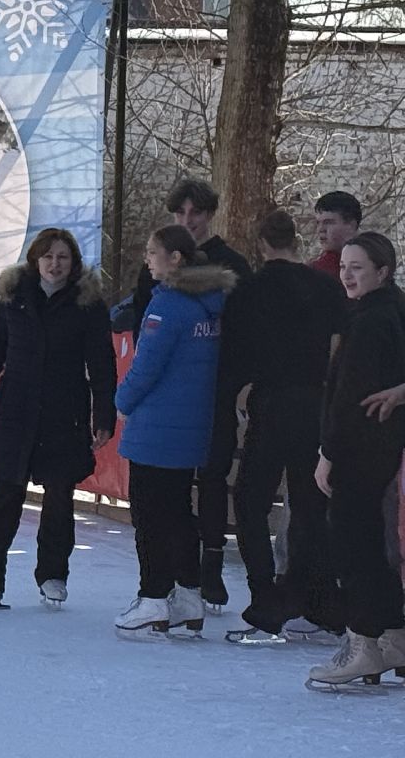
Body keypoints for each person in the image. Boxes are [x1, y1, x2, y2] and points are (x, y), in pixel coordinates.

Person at [0, 228, 117, 609]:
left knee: (59, 498)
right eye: (48, 257)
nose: (55, 264)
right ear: (35, 261)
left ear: (73, 263)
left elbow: (102, 364)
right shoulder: (13, 300)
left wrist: (103, 414)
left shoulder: (87, 304)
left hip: (65, 413)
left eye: (63, 257)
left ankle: (53, 575)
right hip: (16, 411)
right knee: (5, 498)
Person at [218, 209, 347, 643]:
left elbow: (233, 355)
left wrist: (238, 396)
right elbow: (337, 347)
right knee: (310, 506)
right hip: (314, 402)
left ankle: (265, 594)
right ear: (296, 240)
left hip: (270, 402)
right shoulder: (325, 286)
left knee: (252, 500)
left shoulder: (249, 291)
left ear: (261, 244)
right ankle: (312, 596)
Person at [129, 177, 251, 611]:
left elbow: (236, 338)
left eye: (195, 212)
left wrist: (124, 399)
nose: (187, 220)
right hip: (176, 400)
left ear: (210, 215)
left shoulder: (229, 267)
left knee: (201, 486)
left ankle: (194, 580)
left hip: (203, 396)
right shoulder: (156, 275)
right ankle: (187, 585)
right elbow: (141, 314)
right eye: (180, 213)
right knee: (177, 498)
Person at [113, 224, 235, 636]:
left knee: (149, 515)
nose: (147, 259)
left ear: (175, 258)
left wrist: (121, 401)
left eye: (153, 252)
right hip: (188, 427)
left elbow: (147, 366)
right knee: (180, 512)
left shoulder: (168, 306)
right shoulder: (207, 305)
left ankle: (152, 597)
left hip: (157, 428)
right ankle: (188, 595)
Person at [306, 233, 405, 687]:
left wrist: (328, 453)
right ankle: (393, 635)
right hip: (379, 447)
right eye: (344, 266)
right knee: (367, 543)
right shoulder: (387, 310)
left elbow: (348, 397)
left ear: (382, 272)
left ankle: (363, 642)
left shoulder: (372, 320)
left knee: (354, 544)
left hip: (361, 449)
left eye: (357, 267)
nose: (346, 274)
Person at [311, 191, 362, 275]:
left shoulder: (371, 264)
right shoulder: (316, 269)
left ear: (351, 225)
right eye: (318, 223)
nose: (320, 229)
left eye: (328, 222)